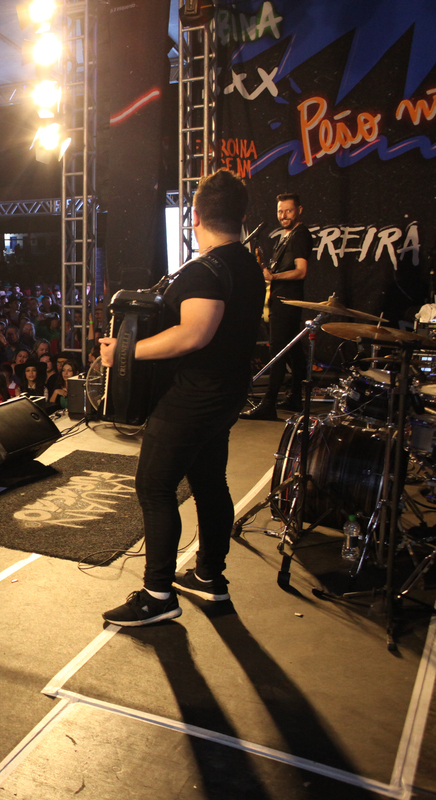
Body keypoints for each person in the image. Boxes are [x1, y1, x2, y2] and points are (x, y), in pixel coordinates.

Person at [98, 169, 263, 626]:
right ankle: (209, 576)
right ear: (242, 216)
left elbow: (194, 334)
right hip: (227, 394)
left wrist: (125, 351)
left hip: (195, 397)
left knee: (153, 486)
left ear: (196, 216)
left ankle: (157, 595)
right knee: (210, 483)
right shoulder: (249, 265)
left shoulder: (205, 270)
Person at [242, 192, 312, 419]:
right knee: (293, 351)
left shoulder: (300, 235)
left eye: (288, 211)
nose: (284, 215)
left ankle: (269, 404)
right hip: (280, 300)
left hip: (287, 302)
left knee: (279, 351)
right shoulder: (286, 236)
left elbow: (301, 271)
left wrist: (274, 276)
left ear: (299, 210)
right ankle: (295, 398)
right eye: (280, 211)